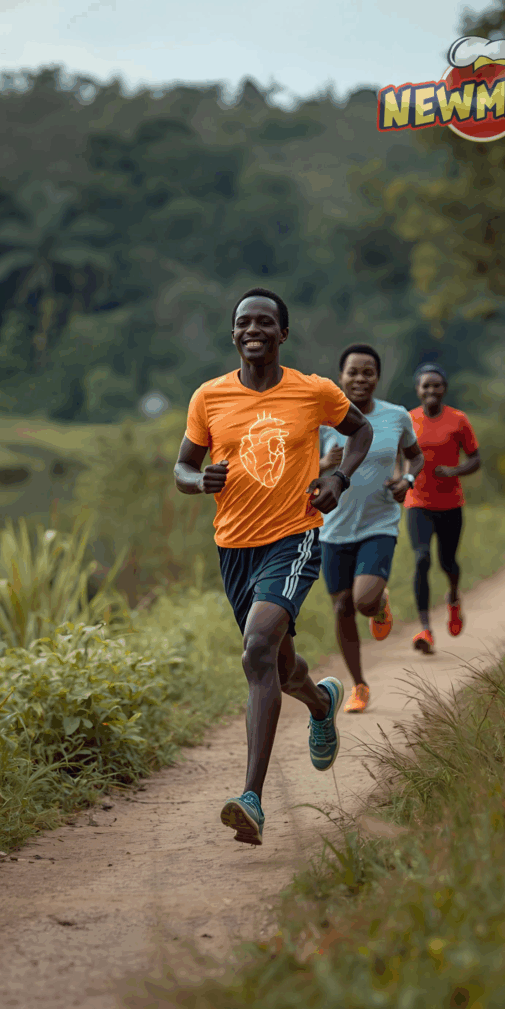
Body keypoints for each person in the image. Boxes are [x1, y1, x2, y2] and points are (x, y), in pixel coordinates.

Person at [173, 288, 373, 846]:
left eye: (265, 321)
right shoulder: (209, 397)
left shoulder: (313, 391)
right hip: (234, 548)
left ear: (283, 333)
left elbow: (361, 430)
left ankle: (252, 800)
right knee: (280, 668)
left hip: (294, 537)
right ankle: (321, 700)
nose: (252, 328)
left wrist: (337, 478)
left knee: (257, 649)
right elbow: (183, 465)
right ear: (233, 333)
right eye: (243, 322)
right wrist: (198, 481)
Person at [318, 344, 424, 713]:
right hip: (332, 528)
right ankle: (359, 685)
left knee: (362, 601)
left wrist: (407, 479)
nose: (360, 379)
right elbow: (296, 466)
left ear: (378, 377)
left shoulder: (395, 417)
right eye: (353, 372)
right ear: (341, 376)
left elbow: (416, 454)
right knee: (342, 607)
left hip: (379, 522)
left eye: (368, 373)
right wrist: (321, 463)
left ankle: (378, 602)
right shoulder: (321, 420)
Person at [402, 363, 481, 654]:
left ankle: (453, 599)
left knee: (448, 562)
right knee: (422, 559)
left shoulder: (458, 420)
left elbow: (476, 458)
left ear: (444, 388)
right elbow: (402, 457)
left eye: (437, 385)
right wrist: (399, 480)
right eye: (426, 385)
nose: (431, 390)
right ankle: (425, 628)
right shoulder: (408, 420)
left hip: (450, 505)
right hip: (418, 503)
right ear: (418, 390)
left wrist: (456, 470)